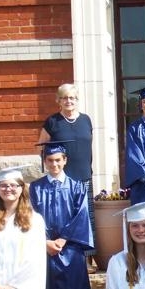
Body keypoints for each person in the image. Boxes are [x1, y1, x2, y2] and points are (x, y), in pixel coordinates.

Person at [30, 142, 95, 289]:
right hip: (44, 248)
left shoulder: (77, 186)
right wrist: (45, 242)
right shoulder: (36, 187)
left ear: (65, 160)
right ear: (44, 162)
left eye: (58, 160)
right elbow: (30, 218)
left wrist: (63, 239)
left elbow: (81, 215)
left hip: (71, 247)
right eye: (50, 160)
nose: (54, 164)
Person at [37, 83, 96, 271]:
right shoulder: (52, 122)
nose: (68, 101)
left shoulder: (86, 120)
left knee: (86, 218)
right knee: (65, 218)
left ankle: (87, 259)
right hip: (62, 180)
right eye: (64, 98)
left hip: (84, 175)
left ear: (77, 100)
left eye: (72, 97)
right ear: (58, 101)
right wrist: (52, 169)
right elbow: (42, 146)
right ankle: (64, 255)